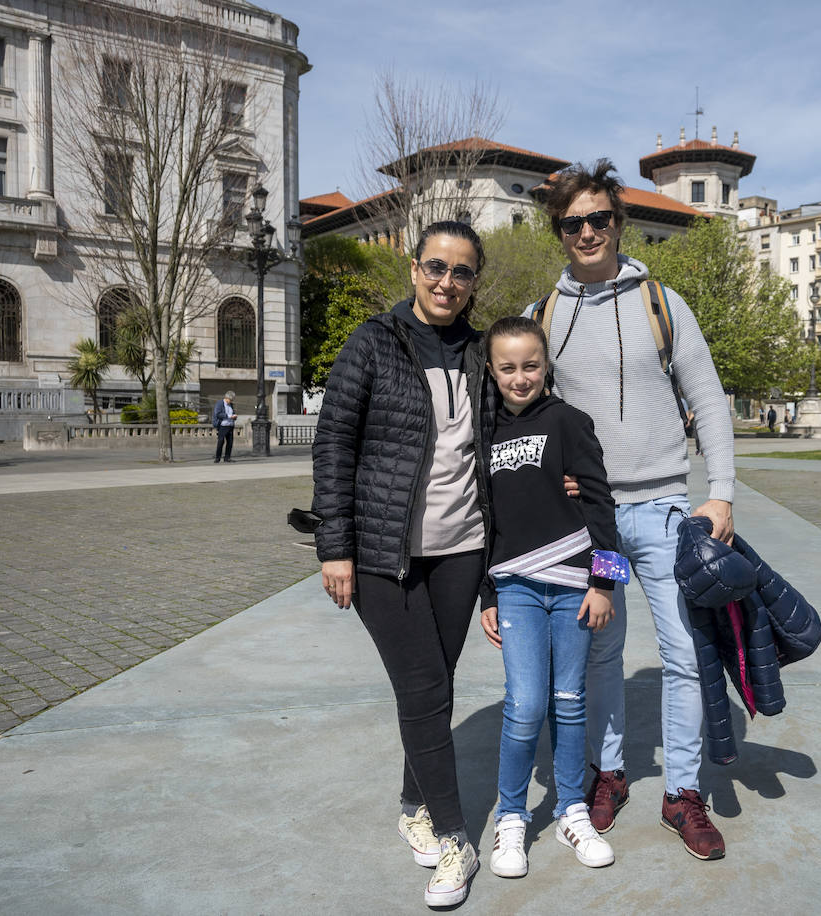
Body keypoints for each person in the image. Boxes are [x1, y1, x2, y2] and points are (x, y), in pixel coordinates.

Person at [526, 160, 735, 860]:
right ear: (559, 232)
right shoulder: (543, 316)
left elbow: (707, 397)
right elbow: (526, 416)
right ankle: (608, 773)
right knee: (601, 656)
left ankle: (682, 792)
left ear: (619, 223)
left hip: (667, 513)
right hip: (597, 524)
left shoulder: (663, 303)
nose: (588, 232)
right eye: (572, 223)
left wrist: (723, 492)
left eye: (599, 218)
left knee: (684, 654)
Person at [312, 221, 492, 909]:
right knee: (422, 688)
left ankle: (412, 803)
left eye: (463, 271)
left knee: (434, 685)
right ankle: (454, 836)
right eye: (436, 267)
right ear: (414, 269)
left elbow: (509, 437)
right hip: (383, 552)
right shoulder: (372, 343)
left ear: (475, 281)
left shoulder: (479, 352)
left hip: (463, 549)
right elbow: (333, 445)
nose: (447, 282)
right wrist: (336, 545)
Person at [477, 316, 618, 878]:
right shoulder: (483, 432)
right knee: (525, 704)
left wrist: (604, 582)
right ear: (491, 369)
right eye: (507, 367)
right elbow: (482, 519)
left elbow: (602, 504)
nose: (519, 377)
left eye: (530, 365)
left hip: (573, 586)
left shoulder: (569, 422)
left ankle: (571, 809)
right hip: (514, 587)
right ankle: (511, 818)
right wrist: (487, 591)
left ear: (546, 366)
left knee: (569, 701)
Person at [212, 390, 237, 463]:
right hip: (223, 425)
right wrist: (229, 416)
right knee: (221, 442)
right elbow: (218, 414)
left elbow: (233, 412)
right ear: (227, 398)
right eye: (231, 400)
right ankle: (217, 457)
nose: (231, 401)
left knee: (230, 442)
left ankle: (227, 457)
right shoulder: (220, 403)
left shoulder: (231, 405)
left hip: (230, 425)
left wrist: (234, 417)